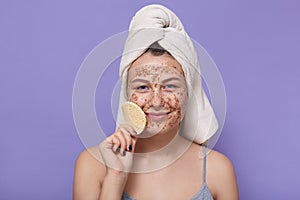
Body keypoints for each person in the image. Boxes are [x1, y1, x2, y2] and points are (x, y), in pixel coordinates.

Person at [73, 4, 238, 200]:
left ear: (188, 92)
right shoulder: (92, 165)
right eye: (142, 87)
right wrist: (115, 178)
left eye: (170, 86)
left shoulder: (218, 170)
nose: (157, 101)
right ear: (126, 92)